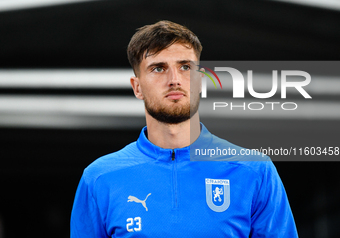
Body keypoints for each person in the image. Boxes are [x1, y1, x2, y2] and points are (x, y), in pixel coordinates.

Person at [70, 20, 298, 237]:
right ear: (137, 87)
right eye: (158, 68)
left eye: (185, 67)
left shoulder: (254, 170)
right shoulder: (99, 178)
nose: (175, 80)